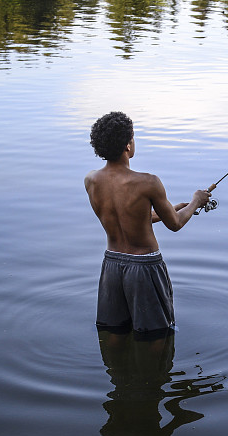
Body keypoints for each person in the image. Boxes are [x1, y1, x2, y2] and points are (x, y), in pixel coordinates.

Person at [85, 111, 211, 333]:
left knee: (114, 332)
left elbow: (125, 216)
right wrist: (195, 201)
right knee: (156, 335)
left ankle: (116, 368)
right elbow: (175, 225)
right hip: (144, 266)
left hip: (112, 265)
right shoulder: (148, 182)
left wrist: (169, 210)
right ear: (127, 145)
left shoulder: (92, 180)